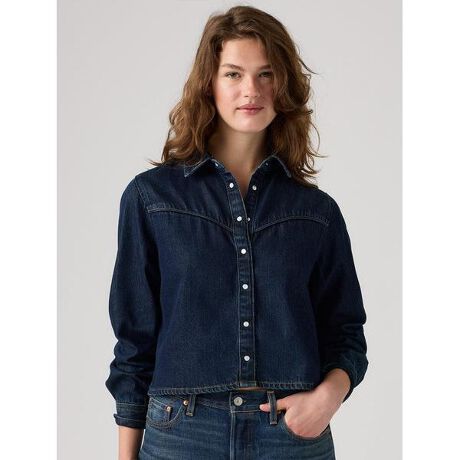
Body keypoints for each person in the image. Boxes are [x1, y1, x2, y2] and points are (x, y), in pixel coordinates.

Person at [105, 5, 368, 460]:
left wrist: (327, 398)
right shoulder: (152, 198)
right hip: (182, 434)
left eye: (266, 74)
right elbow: (134, 341)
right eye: (233, 74)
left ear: (284, 86)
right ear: (209, 83)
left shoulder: (315, 212)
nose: (252, 90)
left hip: (289, 436)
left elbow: (346, 333)